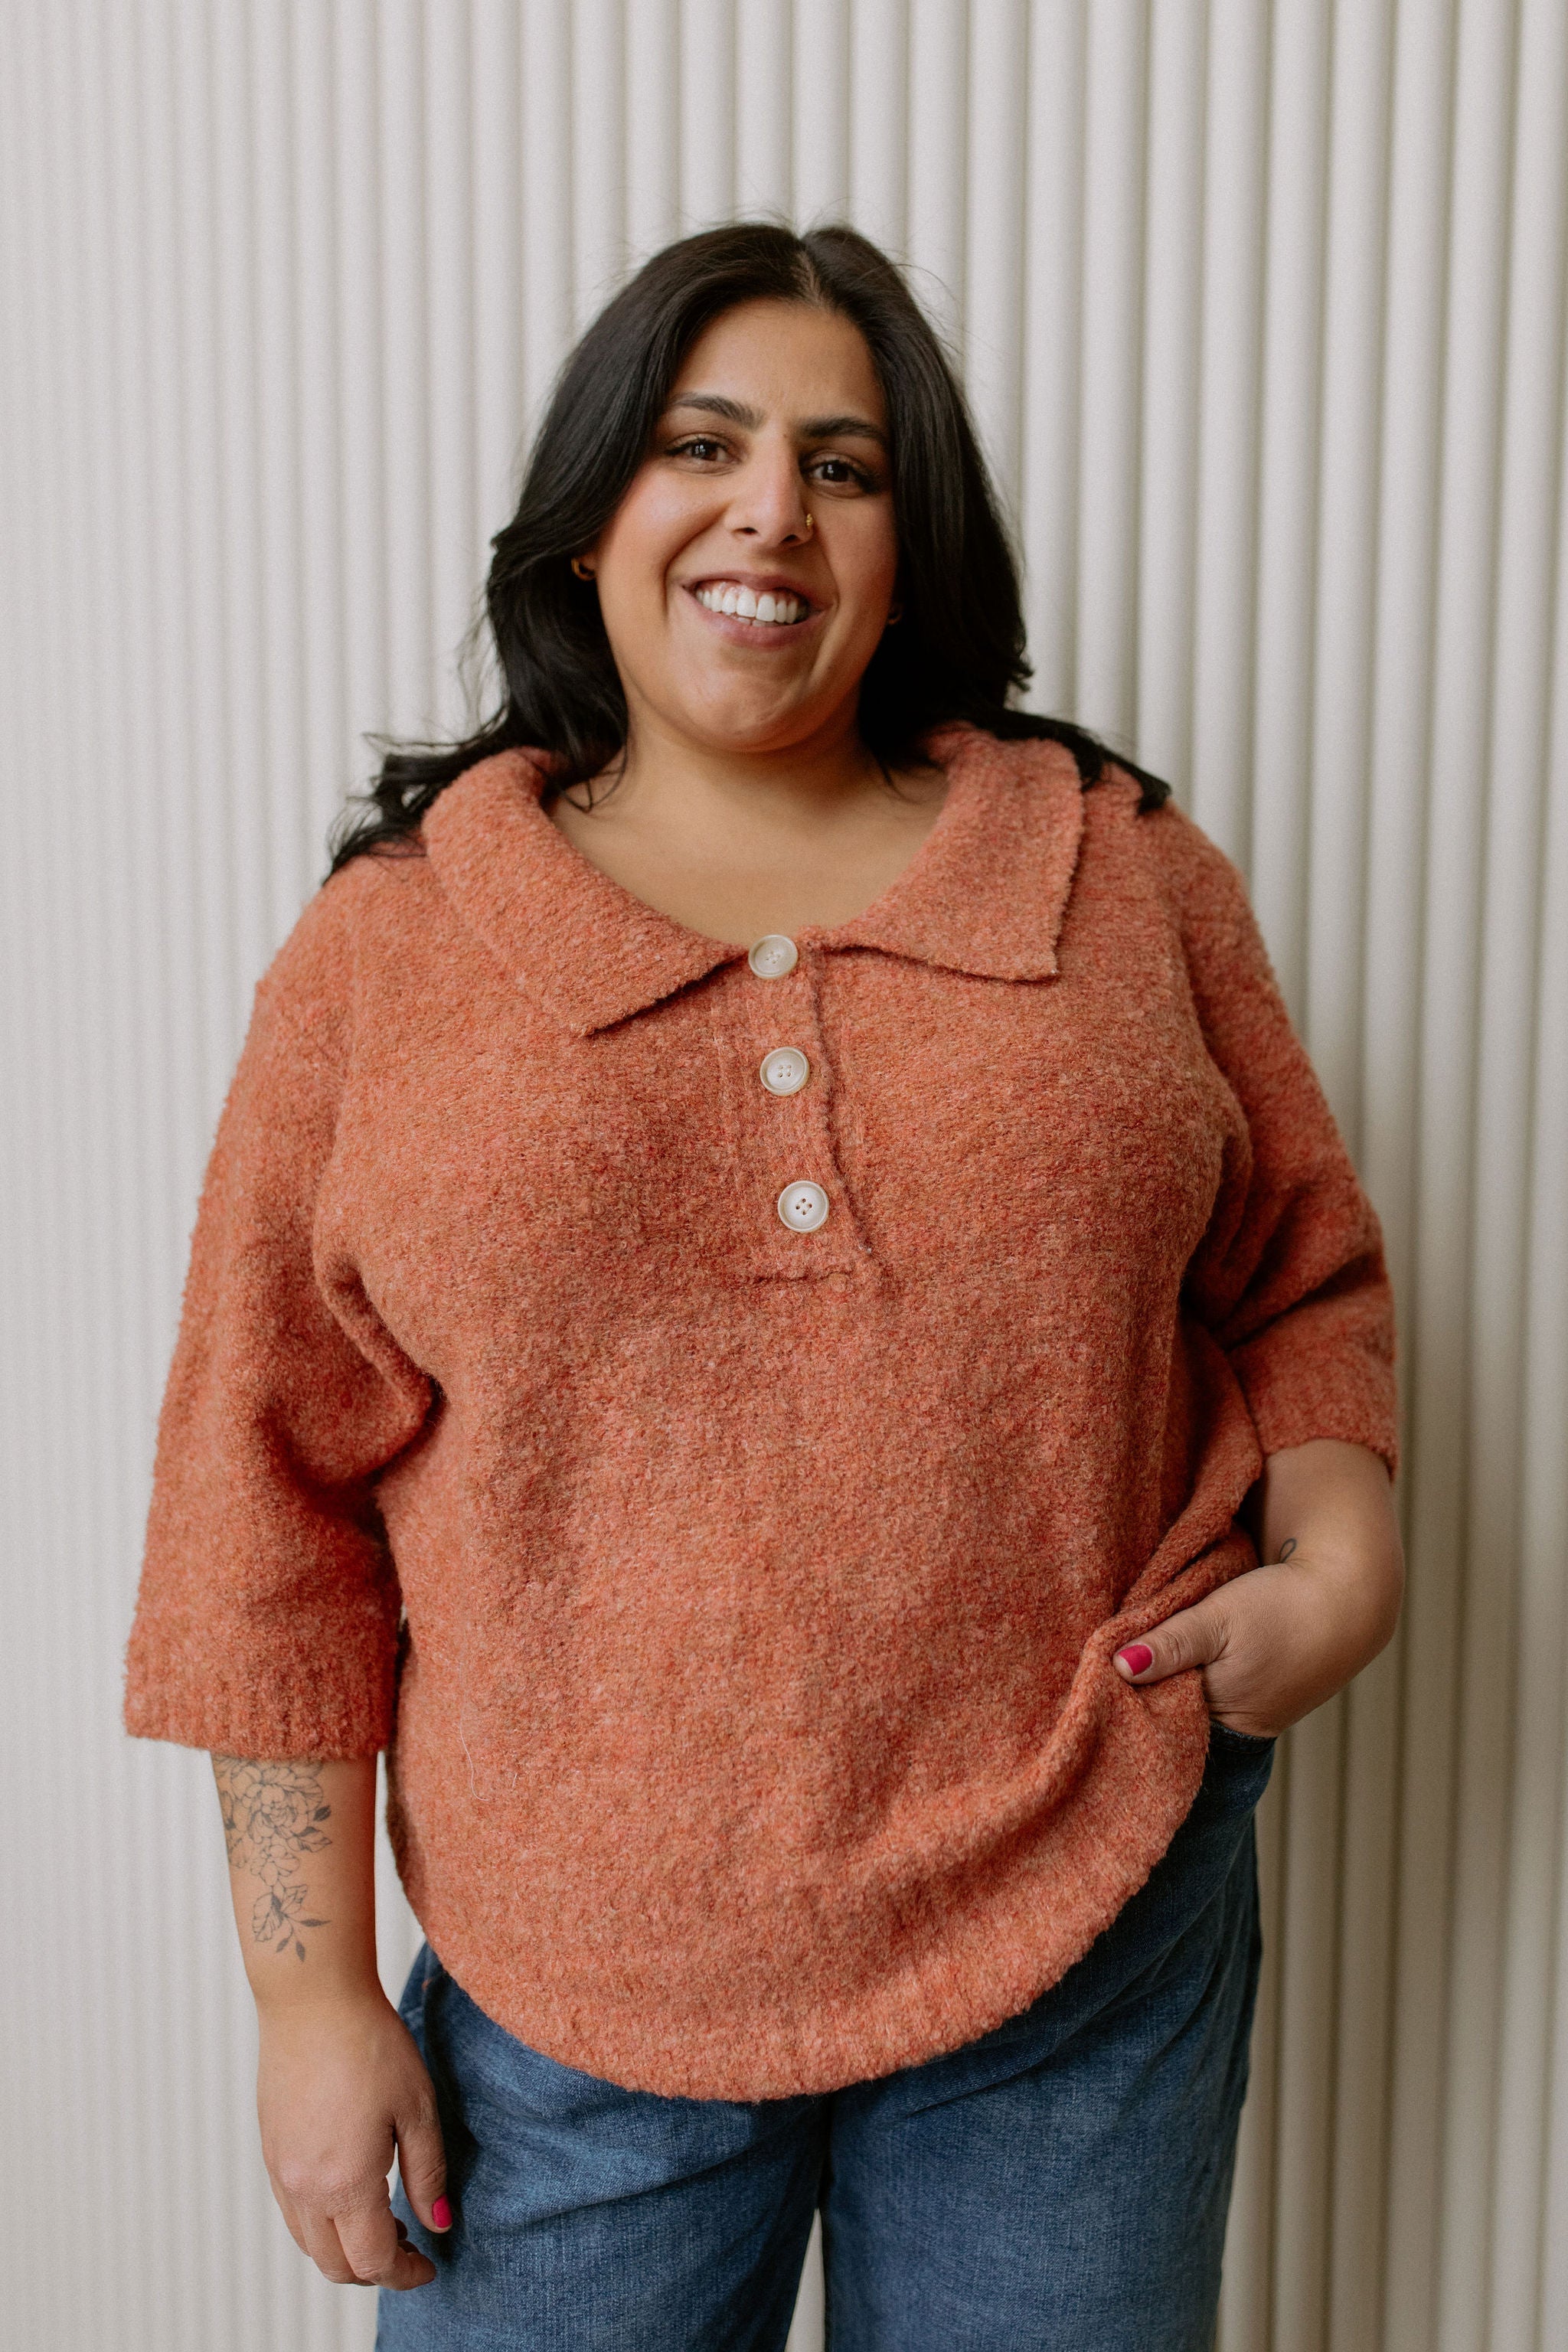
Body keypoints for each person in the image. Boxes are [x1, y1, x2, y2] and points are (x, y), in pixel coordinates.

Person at [123, 223, 1403, 2352]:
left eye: (844, 464)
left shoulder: (1123, 874)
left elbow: (1301, 1273)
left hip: (1086, 1924)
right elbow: (261, 1504)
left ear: (912, 543)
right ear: (591, 516)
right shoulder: (390, 951)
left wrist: (1345, 1564)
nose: (770, 512)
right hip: (568, 1994)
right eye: (700, 446)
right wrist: (310, 1997)